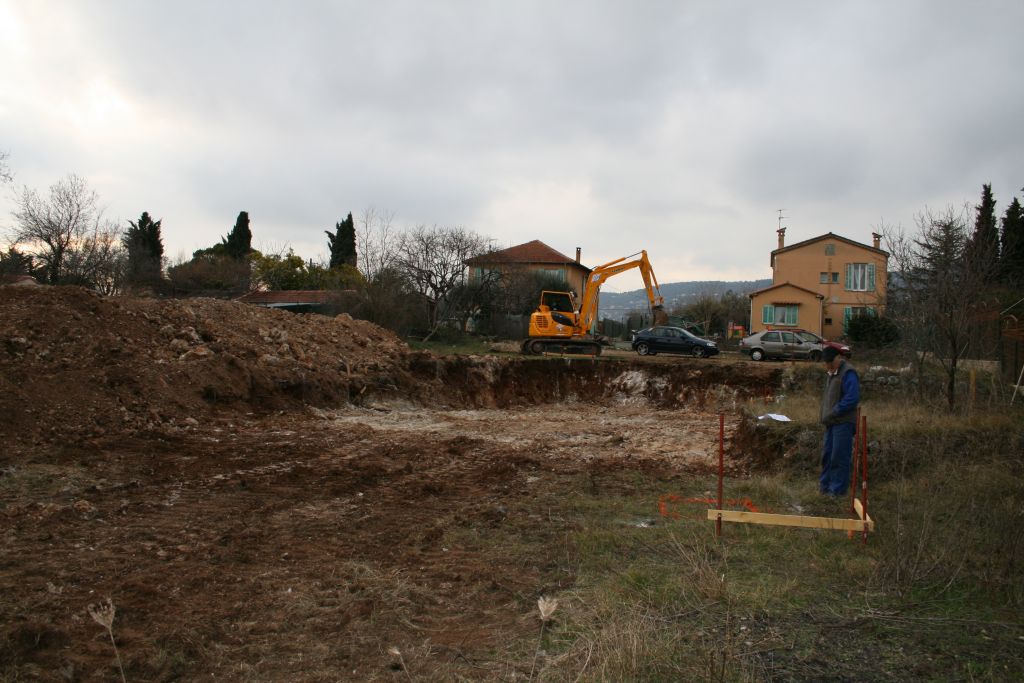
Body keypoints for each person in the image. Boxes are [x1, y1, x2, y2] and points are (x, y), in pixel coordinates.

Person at [819, 346, 860, 496]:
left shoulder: (848, 373)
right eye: (826, 363)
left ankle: (837, 491)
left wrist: (835, 411)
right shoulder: (831, 373)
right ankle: (825, 487)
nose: (828, 366)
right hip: (831, 422)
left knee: (839, 456)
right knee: (827, 455)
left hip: (843, 422)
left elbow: (852, 398)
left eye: (830, 362)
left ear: (838, 358)